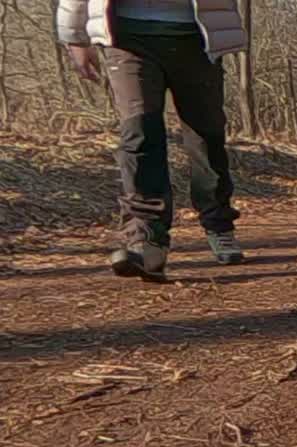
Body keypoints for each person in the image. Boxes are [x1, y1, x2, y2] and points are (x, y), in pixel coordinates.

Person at [56, 1, 248, 280]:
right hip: (126, 34)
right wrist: (74, 36)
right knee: (139, 132)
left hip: (197, 33)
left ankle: (218, 222)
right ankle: (146, 239)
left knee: (206, 134)